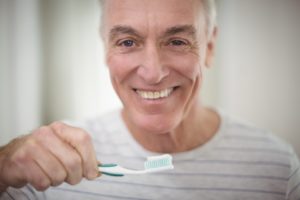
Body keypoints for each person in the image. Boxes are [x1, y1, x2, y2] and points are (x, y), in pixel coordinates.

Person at [0, 0, 299, 199]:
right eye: (128, 42)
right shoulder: (48, 165)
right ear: (105, 49)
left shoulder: (277, 167)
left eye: (178, 41)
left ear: (209, 46)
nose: (153, 73)